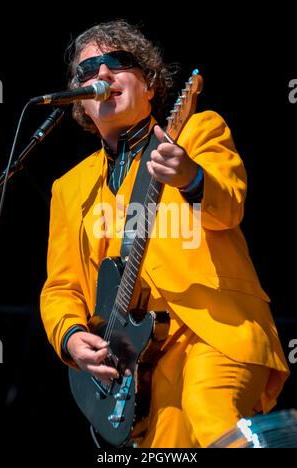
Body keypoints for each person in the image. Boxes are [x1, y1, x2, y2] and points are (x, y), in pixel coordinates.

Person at [40, 19, 290, 448]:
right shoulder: (69, 189)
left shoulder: (197, 130)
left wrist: (191, 176)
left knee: (209, 411)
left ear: (151, 84)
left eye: (118, 63)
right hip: (143, 364)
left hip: (215, 328)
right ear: (79, 101)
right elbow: (61, 286)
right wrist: (69, 336)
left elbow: (229, 206)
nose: (101, 74)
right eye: (88, 69)